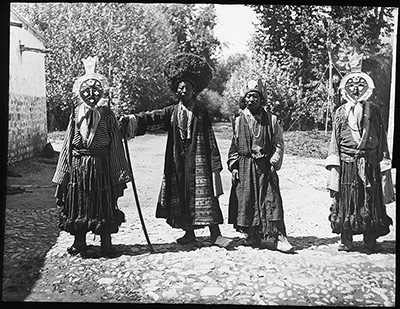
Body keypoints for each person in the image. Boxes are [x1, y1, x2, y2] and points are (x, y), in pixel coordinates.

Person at [120, 53, 231, 247]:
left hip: (199, 160)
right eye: (180, 87)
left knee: (207, 194)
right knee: (182, 192)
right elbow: (151, 118)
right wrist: (131, 119)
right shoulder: (172, 112)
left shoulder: (201, 113)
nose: (182, 90)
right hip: (178, 160)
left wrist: (215, 166)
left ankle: (216, 234)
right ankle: (189, 233)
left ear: (193, 90)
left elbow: (211, 141)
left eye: (186, 88)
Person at [52, 56, 131, 257]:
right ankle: (79, 241)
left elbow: (115, 144)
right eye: (86, 92)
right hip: (79, 167)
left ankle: (106, 242)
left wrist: (118, 174)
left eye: (94, 91)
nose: (91, 95)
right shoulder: (75, 114)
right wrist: (62, 173)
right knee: (78, 202)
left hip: (101, 166)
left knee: (104, 202)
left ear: (101, 92)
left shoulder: (108, 115)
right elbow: (68, 144)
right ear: (81, 93)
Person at [325, 51, 394, 252]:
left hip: (370, 163)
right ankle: (346, 239)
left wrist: (384, 163)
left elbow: (381, 140)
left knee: (371, 199)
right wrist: (333, 168)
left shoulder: (375, 111)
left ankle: (370, 238)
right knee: (346, 200)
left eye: (360, 86)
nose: (356, 89)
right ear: (346, 88)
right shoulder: (340, 112)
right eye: (352, 86)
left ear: (366, 88)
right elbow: (334, 142)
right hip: (347, 164)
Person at [227, 79, 294, 253]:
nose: (251, 100)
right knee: (247, 200)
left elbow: (278, 143)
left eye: (255, 96)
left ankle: (278, 237)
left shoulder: (271, 120)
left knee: (271, 200)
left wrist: (273, 162)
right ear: (244, 99)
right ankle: (252, 235)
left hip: (265, 166)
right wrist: (234, 166)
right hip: (244, 165)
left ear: (261, 99)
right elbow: (234, 145)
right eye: (248, 96)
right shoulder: (238, 120)